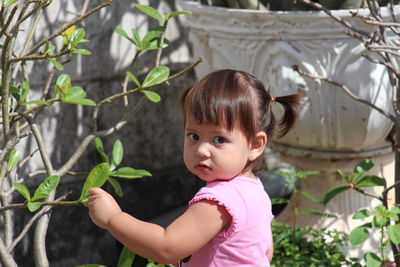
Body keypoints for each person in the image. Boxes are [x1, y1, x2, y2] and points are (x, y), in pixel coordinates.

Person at [86, 69, 304, 266]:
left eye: (219, 139)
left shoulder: (218, 201)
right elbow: (263, 253)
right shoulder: (254, 190)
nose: (201, 150)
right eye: (194, 136)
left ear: (255, 145)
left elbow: (166, 247)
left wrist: (113, 218)